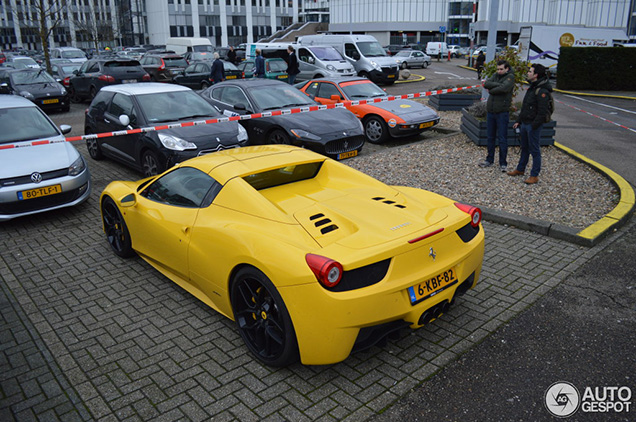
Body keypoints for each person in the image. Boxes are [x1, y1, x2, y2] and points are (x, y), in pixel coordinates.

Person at [507, 63, 552, 185]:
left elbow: (542, 112)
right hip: (525, 123)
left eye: (530, 71)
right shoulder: (532, 87)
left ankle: (534, 175)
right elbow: (526, 106)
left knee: (535, 150)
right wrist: (518, 121)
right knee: (524, 148)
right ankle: (520, 169)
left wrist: (533, 126)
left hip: (533, 125)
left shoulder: (542, 91)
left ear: (536, 75)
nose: (528, 73)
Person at [479, 60, 515, 171]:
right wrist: (497, 86)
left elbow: (504, 88)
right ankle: (489, 159)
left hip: (502, 112)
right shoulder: (495, 75)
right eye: (498, 69)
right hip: (491, 111)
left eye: (501, 69)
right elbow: (486, 83)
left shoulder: (510, 77)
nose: (499, 71)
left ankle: (503, 163)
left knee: (502, 138)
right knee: (490, 137)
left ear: (507, 69)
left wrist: (492, 90)